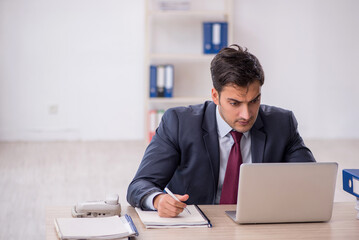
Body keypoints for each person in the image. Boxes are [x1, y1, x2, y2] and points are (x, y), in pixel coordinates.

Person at [127, 44, 315, 217]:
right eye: (234, 103)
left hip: (260, 225)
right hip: (198, 228)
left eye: (254, 101)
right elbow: (140, 185)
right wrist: (158, 200)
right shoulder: (178, 123)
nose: (246, 114)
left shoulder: (282, 123)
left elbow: (312, 181)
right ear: (215, 96)